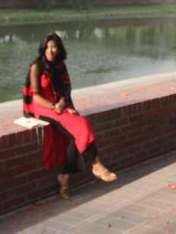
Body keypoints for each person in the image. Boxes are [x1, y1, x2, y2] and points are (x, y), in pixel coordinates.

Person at [22, 32, 117, 198]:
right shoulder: (36, 66)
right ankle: (96, 164)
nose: (50, 50)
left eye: (54, 47)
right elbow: (36, 96)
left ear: (59, 49)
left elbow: (66, 90)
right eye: (47, 47)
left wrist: (63, 103)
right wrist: (54, 106)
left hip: (59, 106)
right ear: (43, 48)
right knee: (81, 124)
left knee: (78, 133)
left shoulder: (60, 66)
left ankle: (65, 176)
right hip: (43, 108)